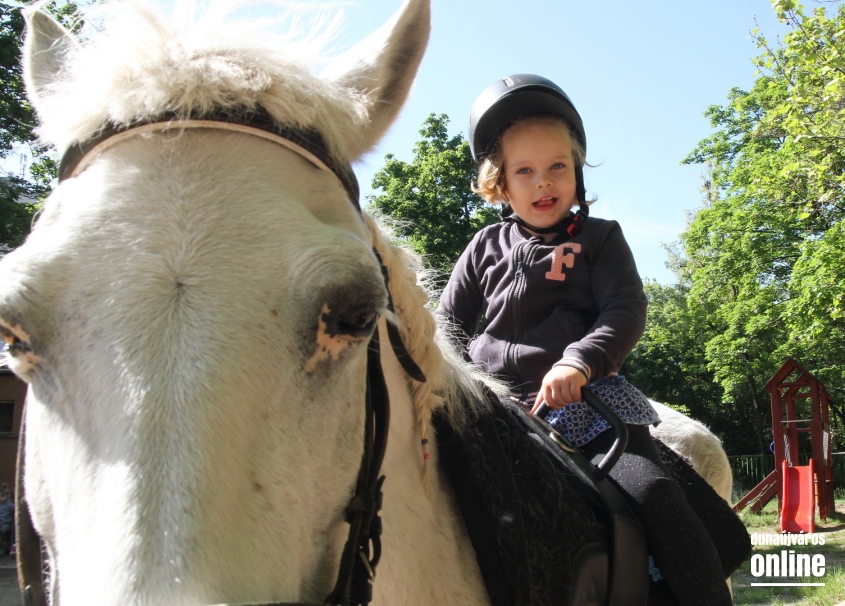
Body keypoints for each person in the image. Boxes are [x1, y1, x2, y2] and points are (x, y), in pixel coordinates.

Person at [437, 74, 733, 605]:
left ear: (576, 173)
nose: (542, 182)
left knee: (656, 493)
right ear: (499, 183)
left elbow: (625, 309)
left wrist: (578, 362)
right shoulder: (483, 246)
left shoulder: (600, 239)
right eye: (524, 171)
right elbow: (448, 326)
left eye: (557, 167)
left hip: (590, 406)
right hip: (498, 407)